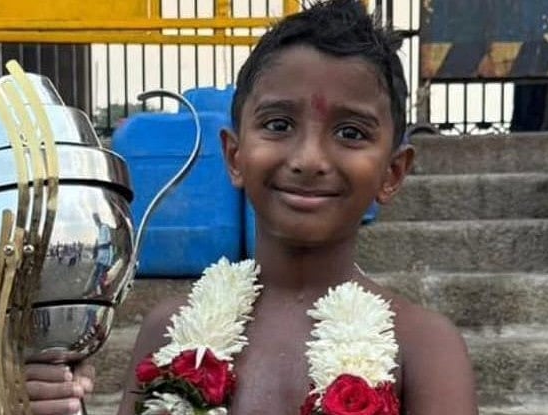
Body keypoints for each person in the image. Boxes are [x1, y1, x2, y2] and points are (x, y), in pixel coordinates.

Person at [24, 1, 478, 413]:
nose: (309, 159)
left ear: (392, 173)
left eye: (351, 133)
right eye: (279, 124)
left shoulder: (423, 348)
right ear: (234, 156)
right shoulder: (170, 329)